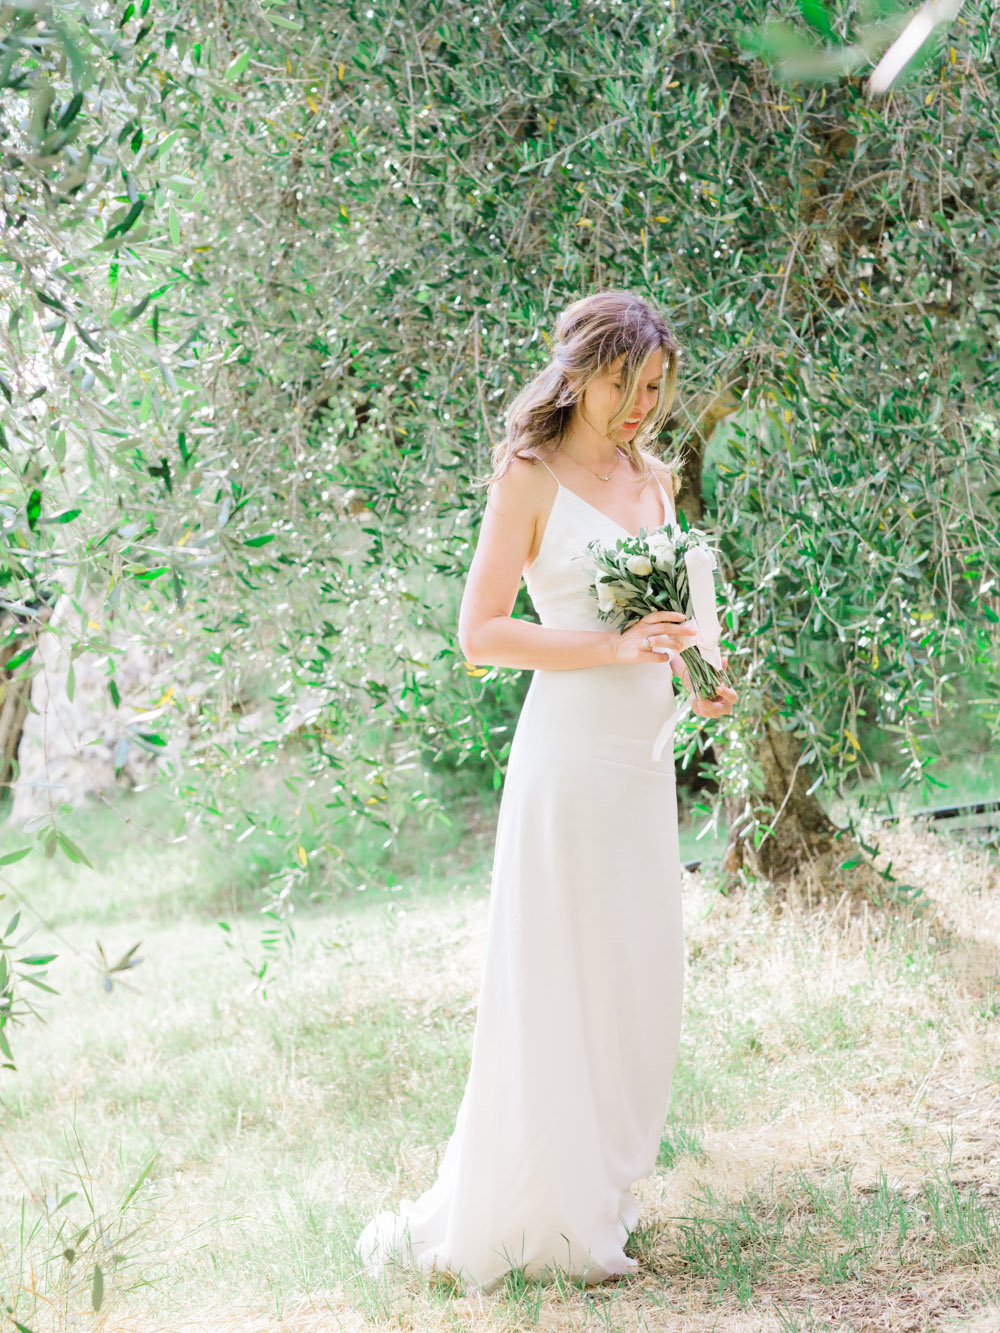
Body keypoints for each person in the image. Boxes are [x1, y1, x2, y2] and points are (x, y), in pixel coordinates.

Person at [355, 289, 738, 1295]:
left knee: (635, 977)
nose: (644, 405)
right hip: (565, 759)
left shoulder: (652, 477)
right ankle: (549, 1216)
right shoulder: (528, 477)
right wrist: (607, 646)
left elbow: (681, 613)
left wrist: (706, 675)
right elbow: (479, 634)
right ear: (580, 374)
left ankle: (602, 1189)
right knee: (560, 975)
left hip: (638, 762)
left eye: (658, 387)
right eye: (628, 385)